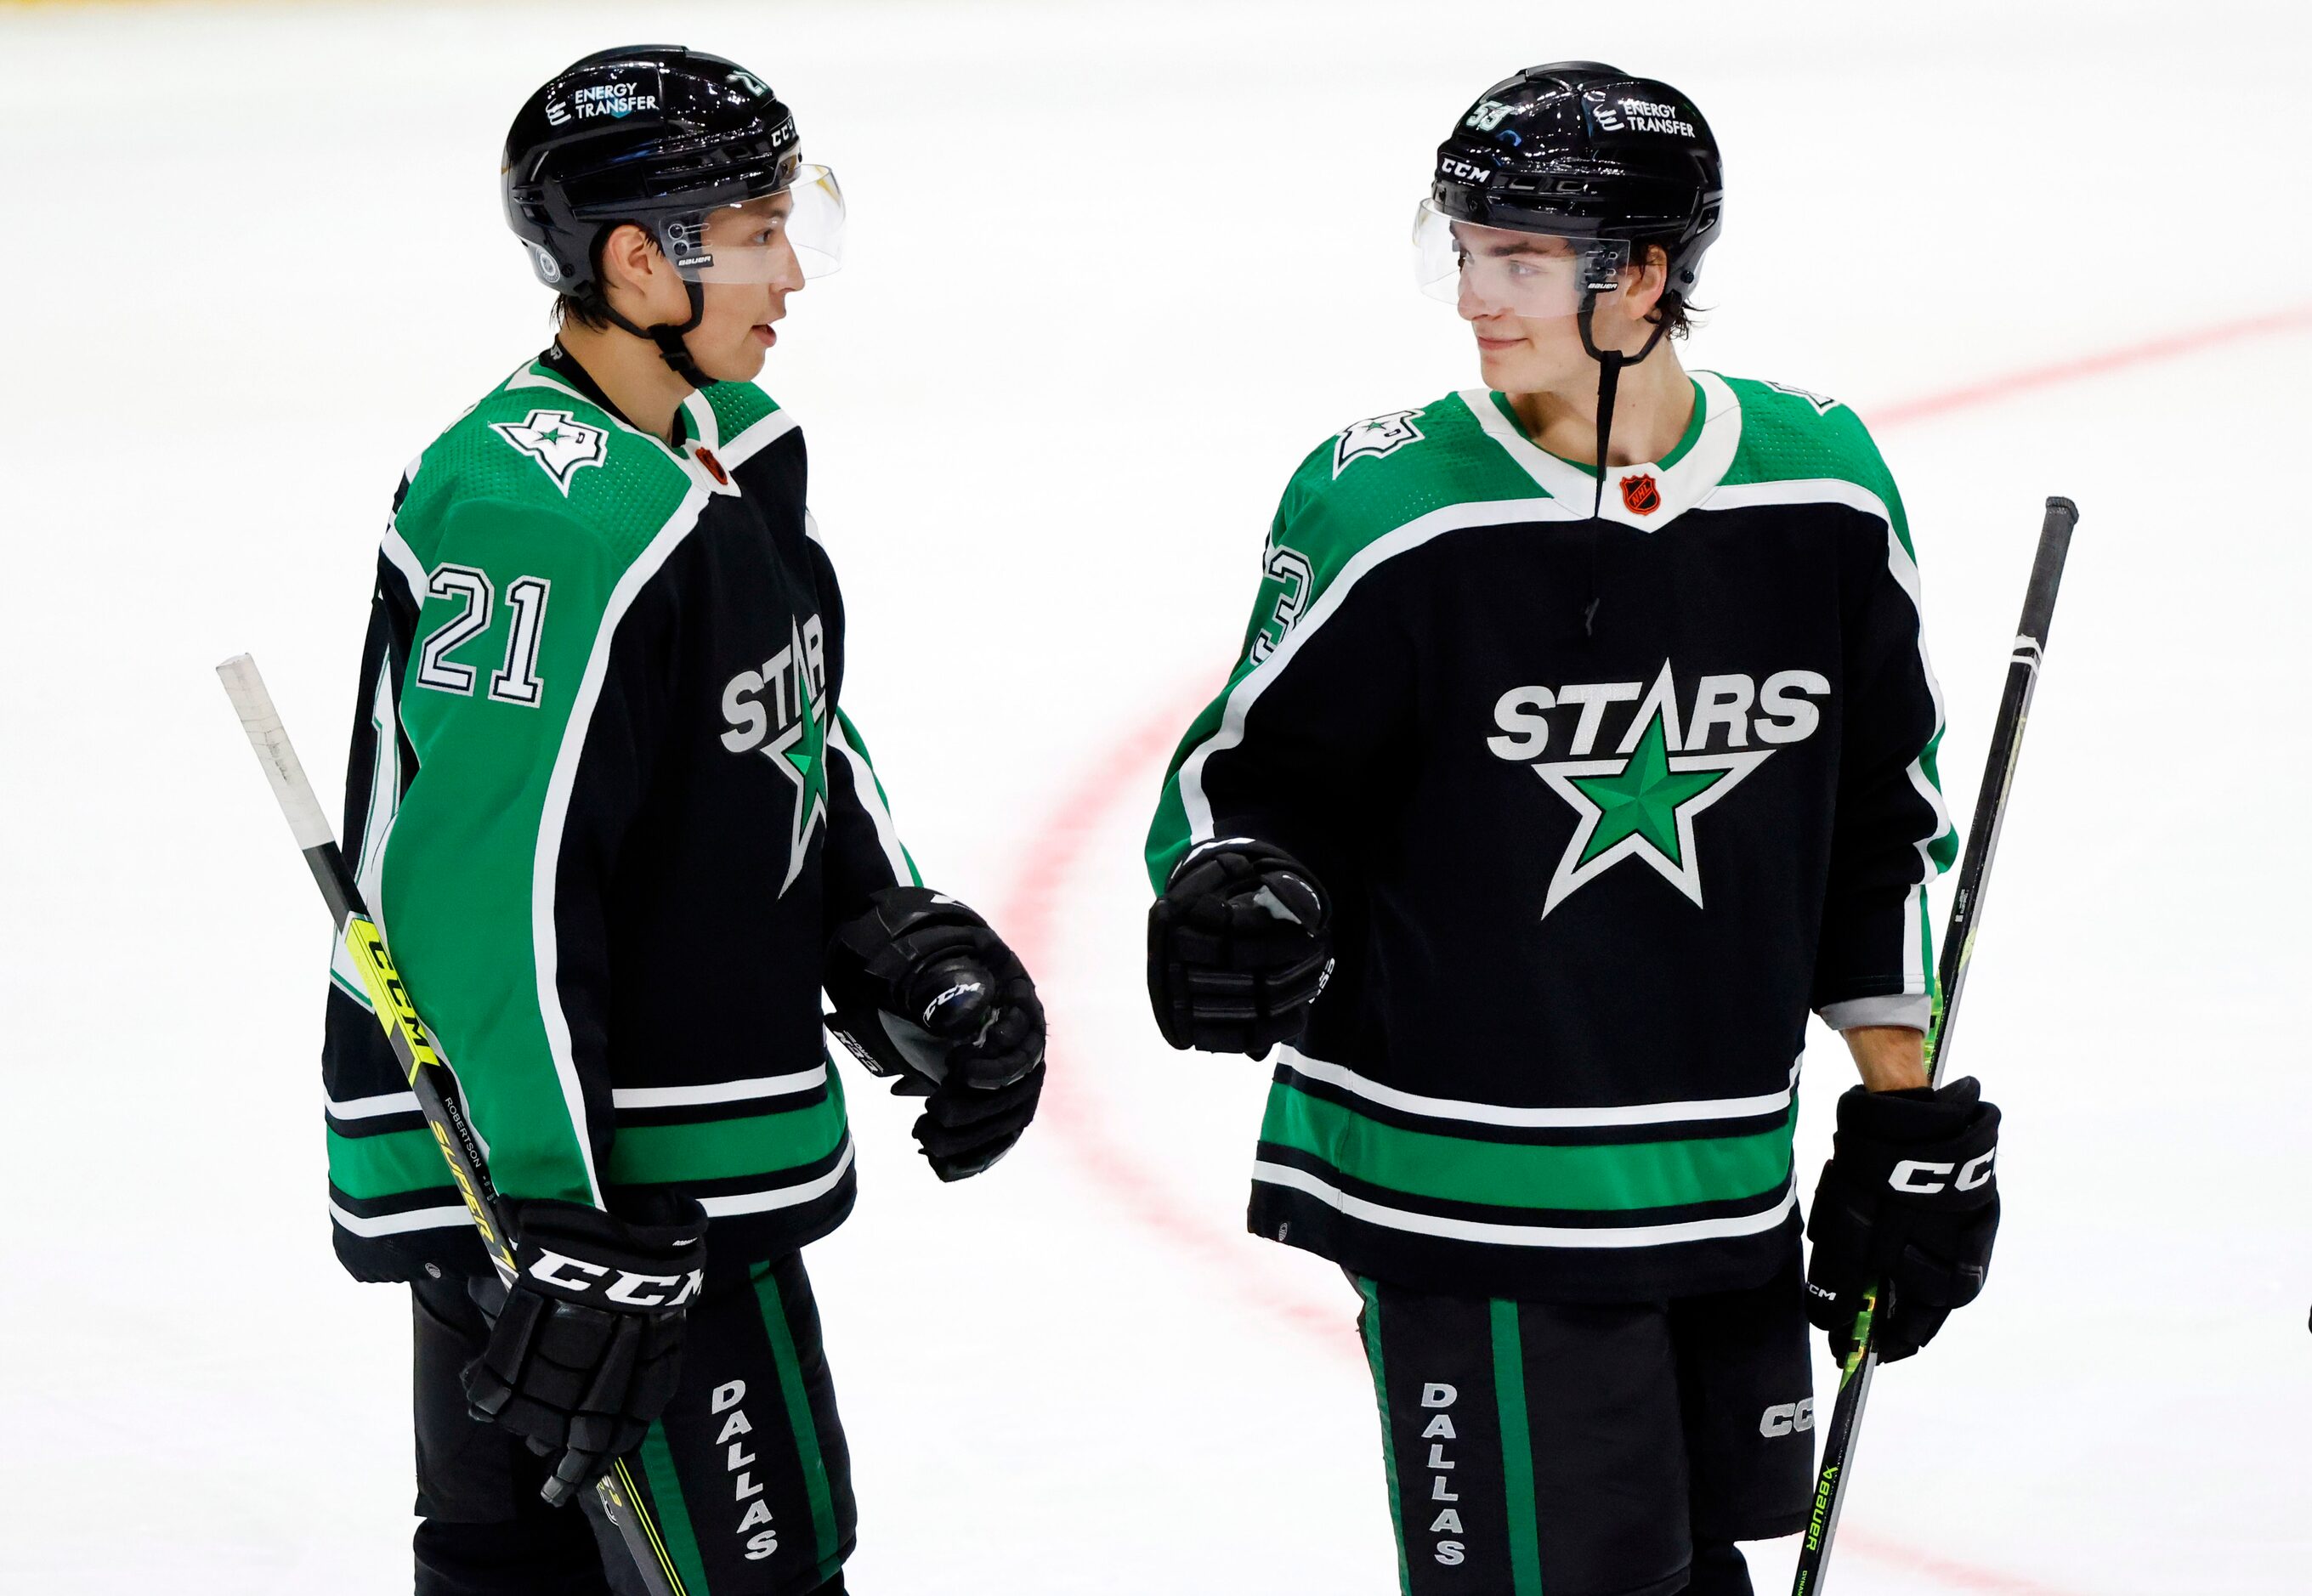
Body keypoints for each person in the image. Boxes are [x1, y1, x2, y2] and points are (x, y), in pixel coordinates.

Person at [1143, 62, 2001, 1596]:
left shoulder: (1825, 484)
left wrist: (1902, 1115)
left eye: (1520, 261)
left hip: (1721, 1174)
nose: (1475, 298)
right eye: (1461, 249)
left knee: (1706, 1572)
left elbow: (1885, 815)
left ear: (1647, 275)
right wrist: (1234, 894)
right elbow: (1236, 787)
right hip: (1461, 1185)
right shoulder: (1389, 503)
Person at [320, 46, 1047, 1596]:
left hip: (618, 1171)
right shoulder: (549, 510)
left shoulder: (729, 439)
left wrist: (890, 935)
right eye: (759, 229)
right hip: (593, 1189)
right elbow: (480, 894)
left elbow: (788, 719)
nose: (791, 272)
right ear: (642, 259)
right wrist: (559, 1209)